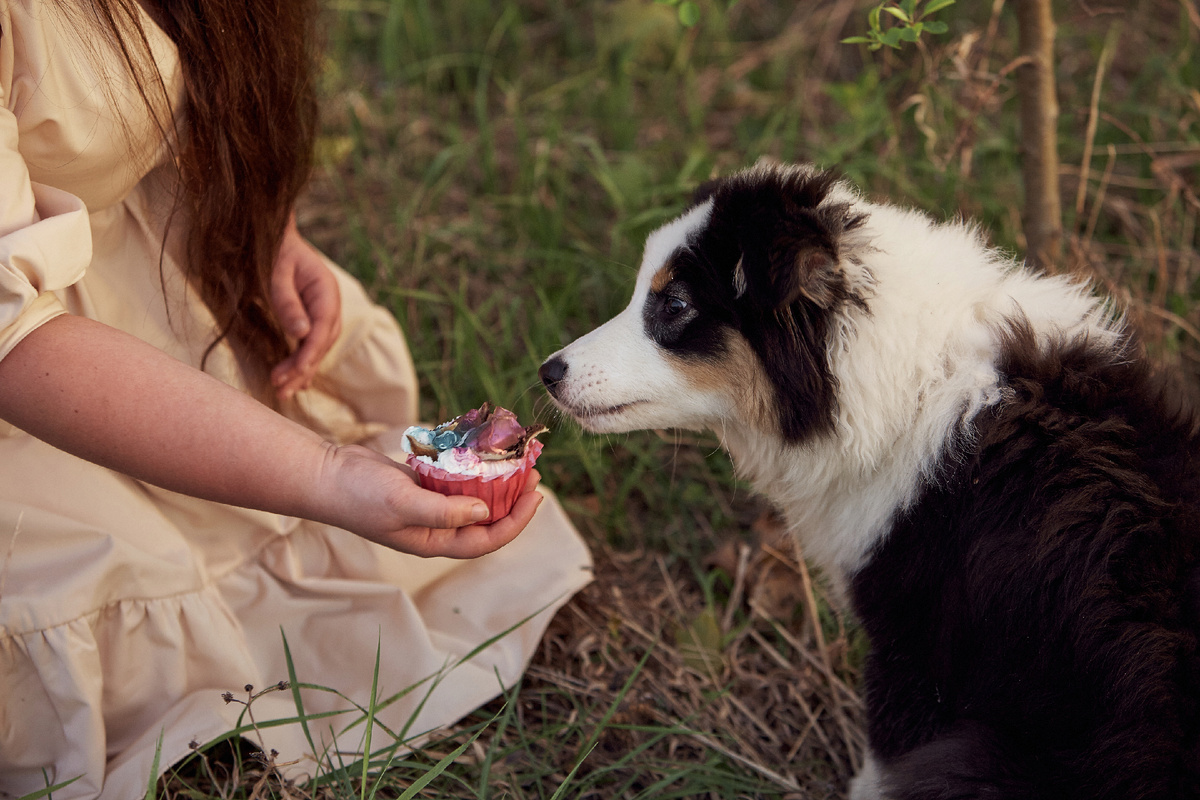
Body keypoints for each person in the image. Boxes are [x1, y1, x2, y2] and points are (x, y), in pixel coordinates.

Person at [0, 1, 592, 796]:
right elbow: (15, 343)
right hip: (31, 358)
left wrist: (254, 223)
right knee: (100, 581)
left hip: (104, 275)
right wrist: (328, 477)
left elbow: (161, 70)